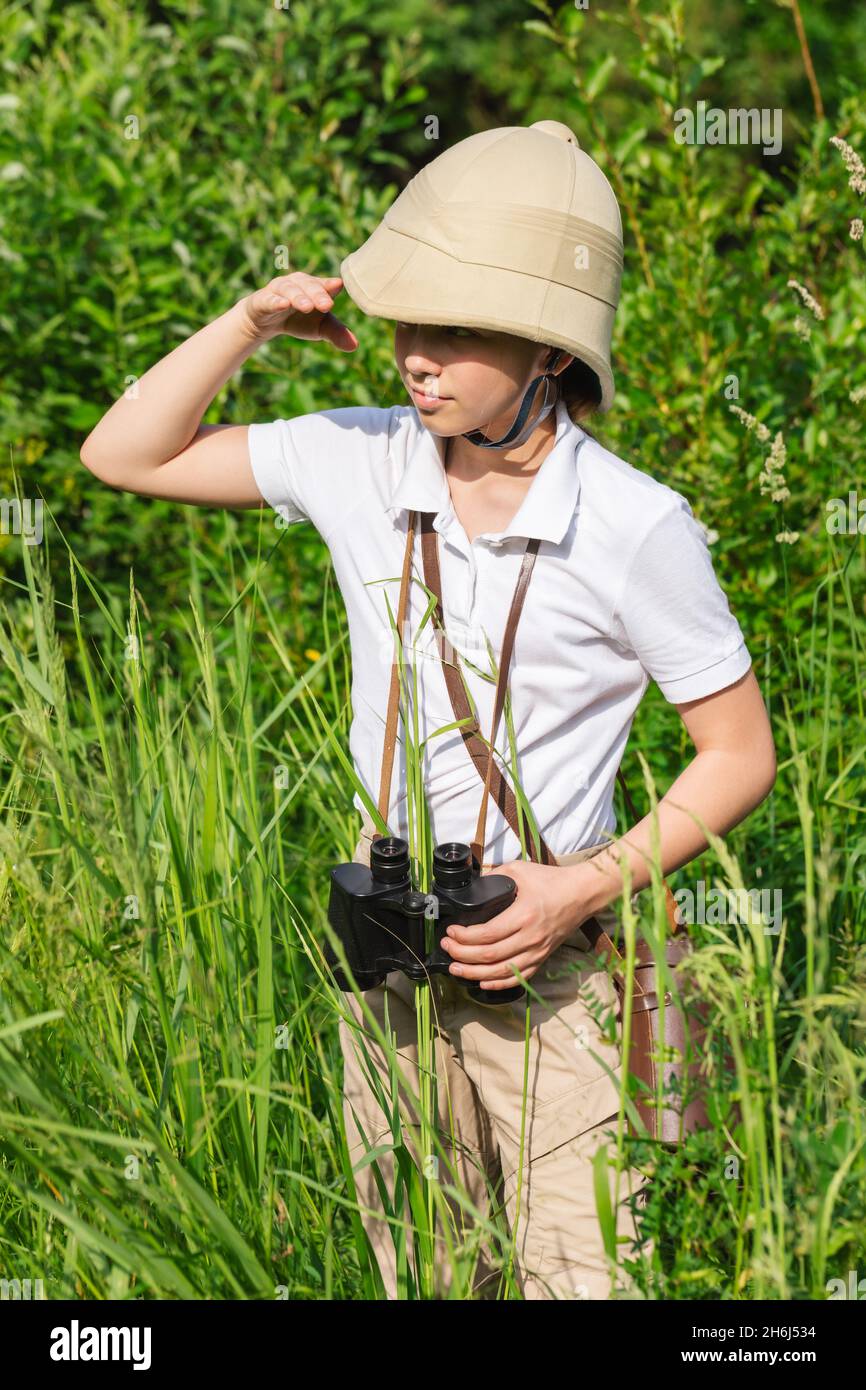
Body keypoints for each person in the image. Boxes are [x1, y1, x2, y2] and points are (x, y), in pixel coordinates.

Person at [79, 119, 777, 1301]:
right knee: (422, 1266)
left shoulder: (633, 524)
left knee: (580, 1274)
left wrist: (576, 889)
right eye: (408, 322)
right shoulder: (359, 457)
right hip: (391, 934)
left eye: (456, 331)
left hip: (550, 948)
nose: (416, 356)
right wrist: (246, 324)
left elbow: (736, 751)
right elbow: (125, 455)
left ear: (552, 349)